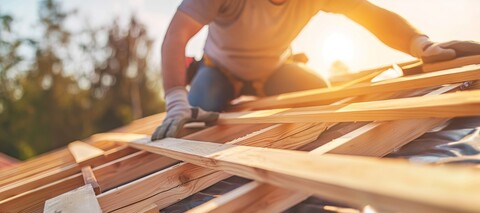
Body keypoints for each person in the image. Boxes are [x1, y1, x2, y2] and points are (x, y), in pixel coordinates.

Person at [151, 0, 480, 140]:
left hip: (275, 69)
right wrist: (176, 101)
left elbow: (368, 14)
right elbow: (176, 35)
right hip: (220, 70)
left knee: (323, 98)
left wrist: (418, 44)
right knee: (198, 120)